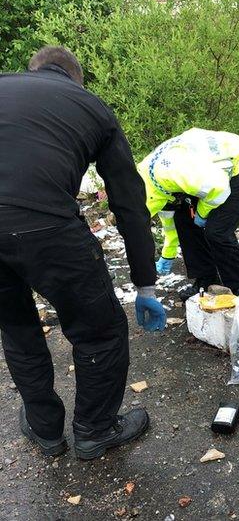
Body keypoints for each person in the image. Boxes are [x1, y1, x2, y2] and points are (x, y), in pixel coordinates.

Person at [0, 46, 166, 460]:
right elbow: (129, 202)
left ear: (31, 72)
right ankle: (94, 430)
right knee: (100, 331)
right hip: (48, 226)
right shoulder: (90, 106)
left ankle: (45, 429)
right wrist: (145, 283)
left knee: (17, 329)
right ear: (76, 80)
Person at [137, 128, 239, 298]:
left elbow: (219, 189)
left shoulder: (173, 173)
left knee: (217, 230)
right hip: (207, 170)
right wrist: (168, 253)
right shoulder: (148, 183)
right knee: (183, 218)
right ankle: (207, 281)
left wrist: (202, 214)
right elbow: (170, 220)